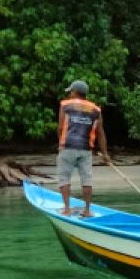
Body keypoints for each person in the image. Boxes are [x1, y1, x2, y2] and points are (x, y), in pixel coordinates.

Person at [57, 79, 110, 217]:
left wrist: (60, 143)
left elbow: (61, 127)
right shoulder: (96, 110)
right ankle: (87, 210)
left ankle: (67, 209)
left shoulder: (65, 105)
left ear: (75, 92)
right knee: (87, 179)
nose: (70, 94)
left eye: (71, 92)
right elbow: (101, 133)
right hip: (86, 149)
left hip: (67, 146)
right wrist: (105, 154)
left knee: (64, 178)